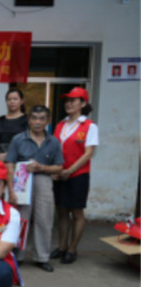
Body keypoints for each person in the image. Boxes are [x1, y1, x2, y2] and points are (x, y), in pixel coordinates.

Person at [6, 105, 63, 272]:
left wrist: (41, 168)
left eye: (42, 119)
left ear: (47, 121)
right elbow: (9, 165)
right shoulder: (18, 139)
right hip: (21, 182)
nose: (38, 122)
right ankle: (17, 255)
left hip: (44, 181)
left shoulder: (53, 141)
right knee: (21, 220)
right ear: (29, 120)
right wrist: (11, 190)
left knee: (44, 220)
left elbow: (59, 167)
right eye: (34, 118)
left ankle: (42, 257)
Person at [51, 87, 99, 264]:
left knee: (76, 212)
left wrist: (70, 171)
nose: (68, 103)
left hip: (78, 175)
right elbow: (54, 150)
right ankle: (62, 246)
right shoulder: (60, 125)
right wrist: (55, 171)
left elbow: (88, 153)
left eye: (73, 100)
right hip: (59, 174)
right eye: (67, 100)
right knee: (61, 210)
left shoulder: (89, 126)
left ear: (83, 104)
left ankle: (72, 249)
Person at [0, 88, 28, 162]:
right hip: (1, 160)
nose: (12, 102)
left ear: (22, 101)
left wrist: (9, 154)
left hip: (20, 160)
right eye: (9, 99)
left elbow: (29, 143)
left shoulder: (27, 120)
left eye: (15, 99)